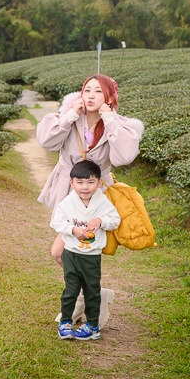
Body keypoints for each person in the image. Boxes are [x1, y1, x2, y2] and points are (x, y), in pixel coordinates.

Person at [36, 74, 143, 266]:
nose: (91, 96)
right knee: (70, 251)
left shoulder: (118, 125)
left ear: (110, 98)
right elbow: (47, 142)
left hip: (96, 194)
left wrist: (110, 120)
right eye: (87, 90)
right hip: (70, 190)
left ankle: (87, 292)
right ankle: (90, 292)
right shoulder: (70, 117)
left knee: (68, 251)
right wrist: (69, 116)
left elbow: (125, 157)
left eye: (98, 91)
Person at [51, 159, 120, 340]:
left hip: (92, 256)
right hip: (72, 254)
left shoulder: (102, 202)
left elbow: (115, 220)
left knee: (92, 291)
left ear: (99, 182)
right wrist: (73, 230)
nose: (85, 187)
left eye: (90, 182)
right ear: (71, 182)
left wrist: (101, 221)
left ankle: (92, 326)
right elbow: (56, 222)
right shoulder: (67, 203)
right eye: (79, 182)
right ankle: (65, 321)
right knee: (70, 290)